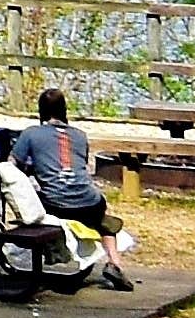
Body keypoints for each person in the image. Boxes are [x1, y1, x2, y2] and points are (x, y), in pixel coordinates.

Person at [10, 88, 134, 291]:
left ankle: (42, 255)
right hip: (90, 202)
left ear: (41, 111)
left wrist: (33, 169)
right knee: (103, 220)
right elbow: (73, 166)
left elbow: (12, 165)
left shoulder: (31, 133)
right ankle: (115, 263)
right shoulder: (80, 135)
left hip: (58, 203)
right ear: (64, 110)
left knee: (37, 201)